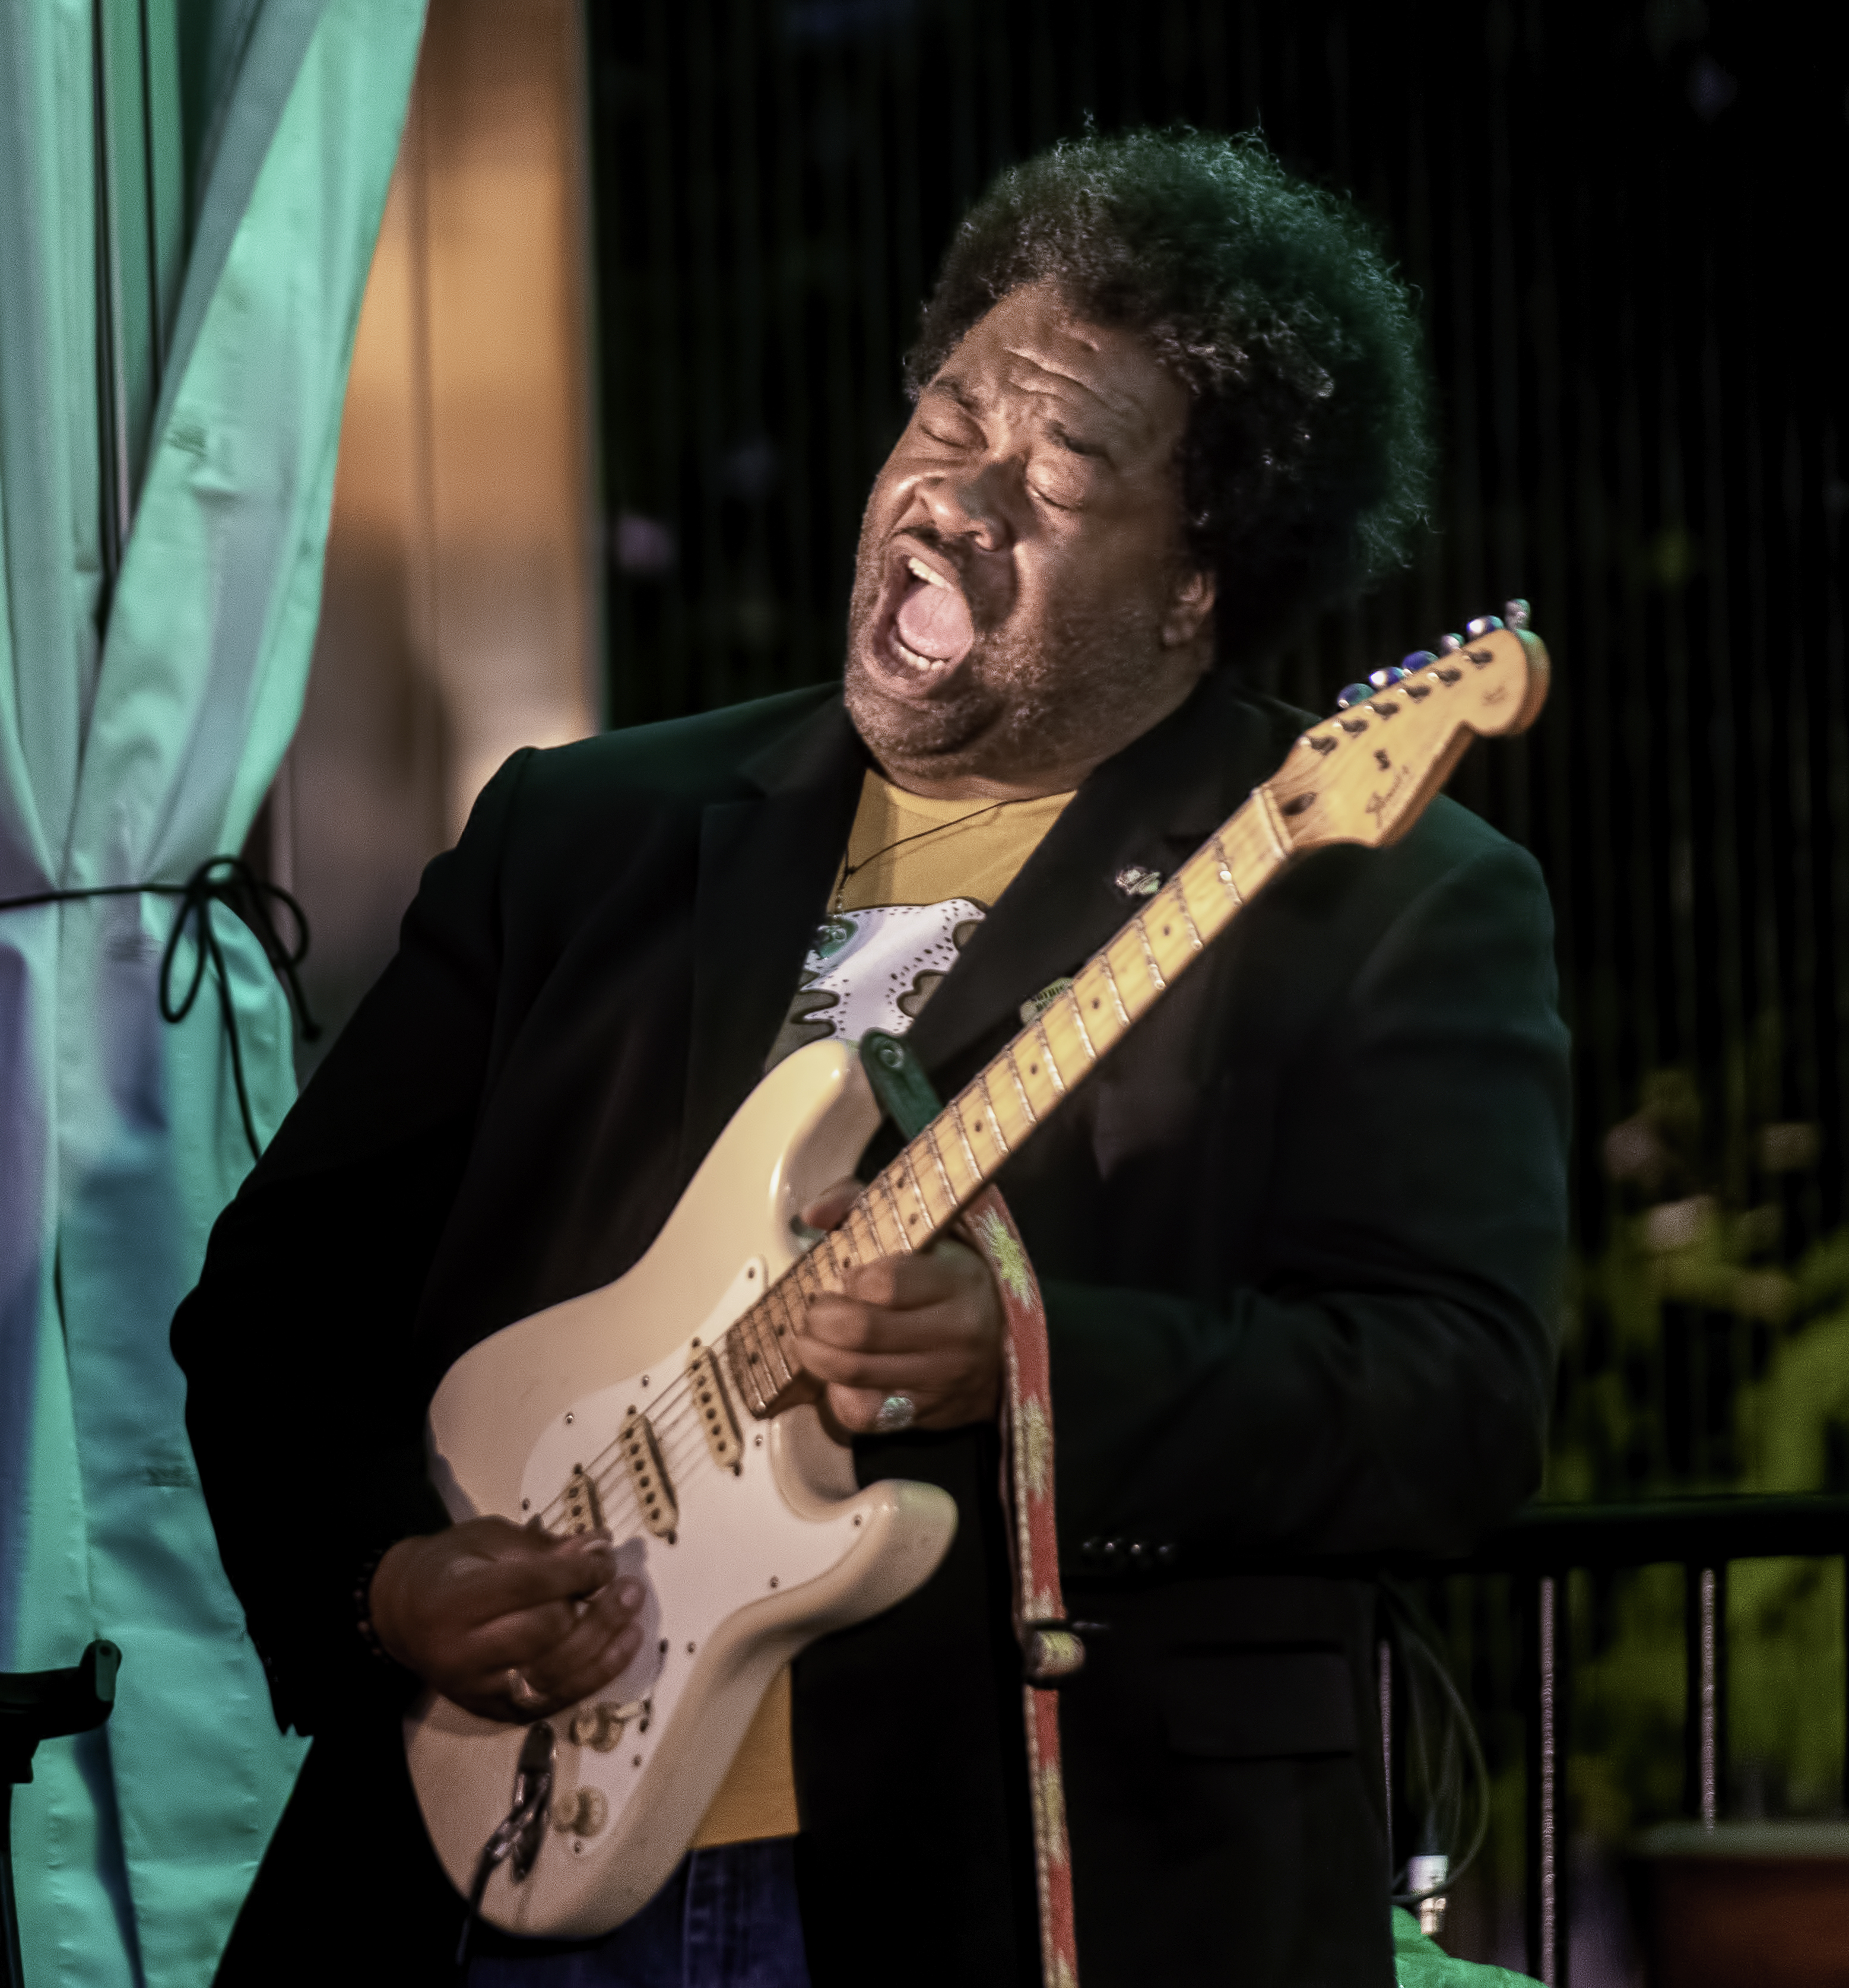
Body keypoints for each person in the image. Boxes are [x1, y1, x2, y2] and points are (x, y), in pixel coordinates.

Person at [173, 128, 1568, 1988]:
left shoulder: (1375, 889)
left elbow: (1452, 1400)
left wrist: (1035, 1362)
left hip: (1010, 1880)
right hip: (483, 1856)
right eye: (945, 417)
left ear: (1198, 580)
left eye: (1061, 461)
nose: (959, 491)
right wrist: (378, 1584)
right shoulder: (583, 834)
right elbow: (278, 1307)